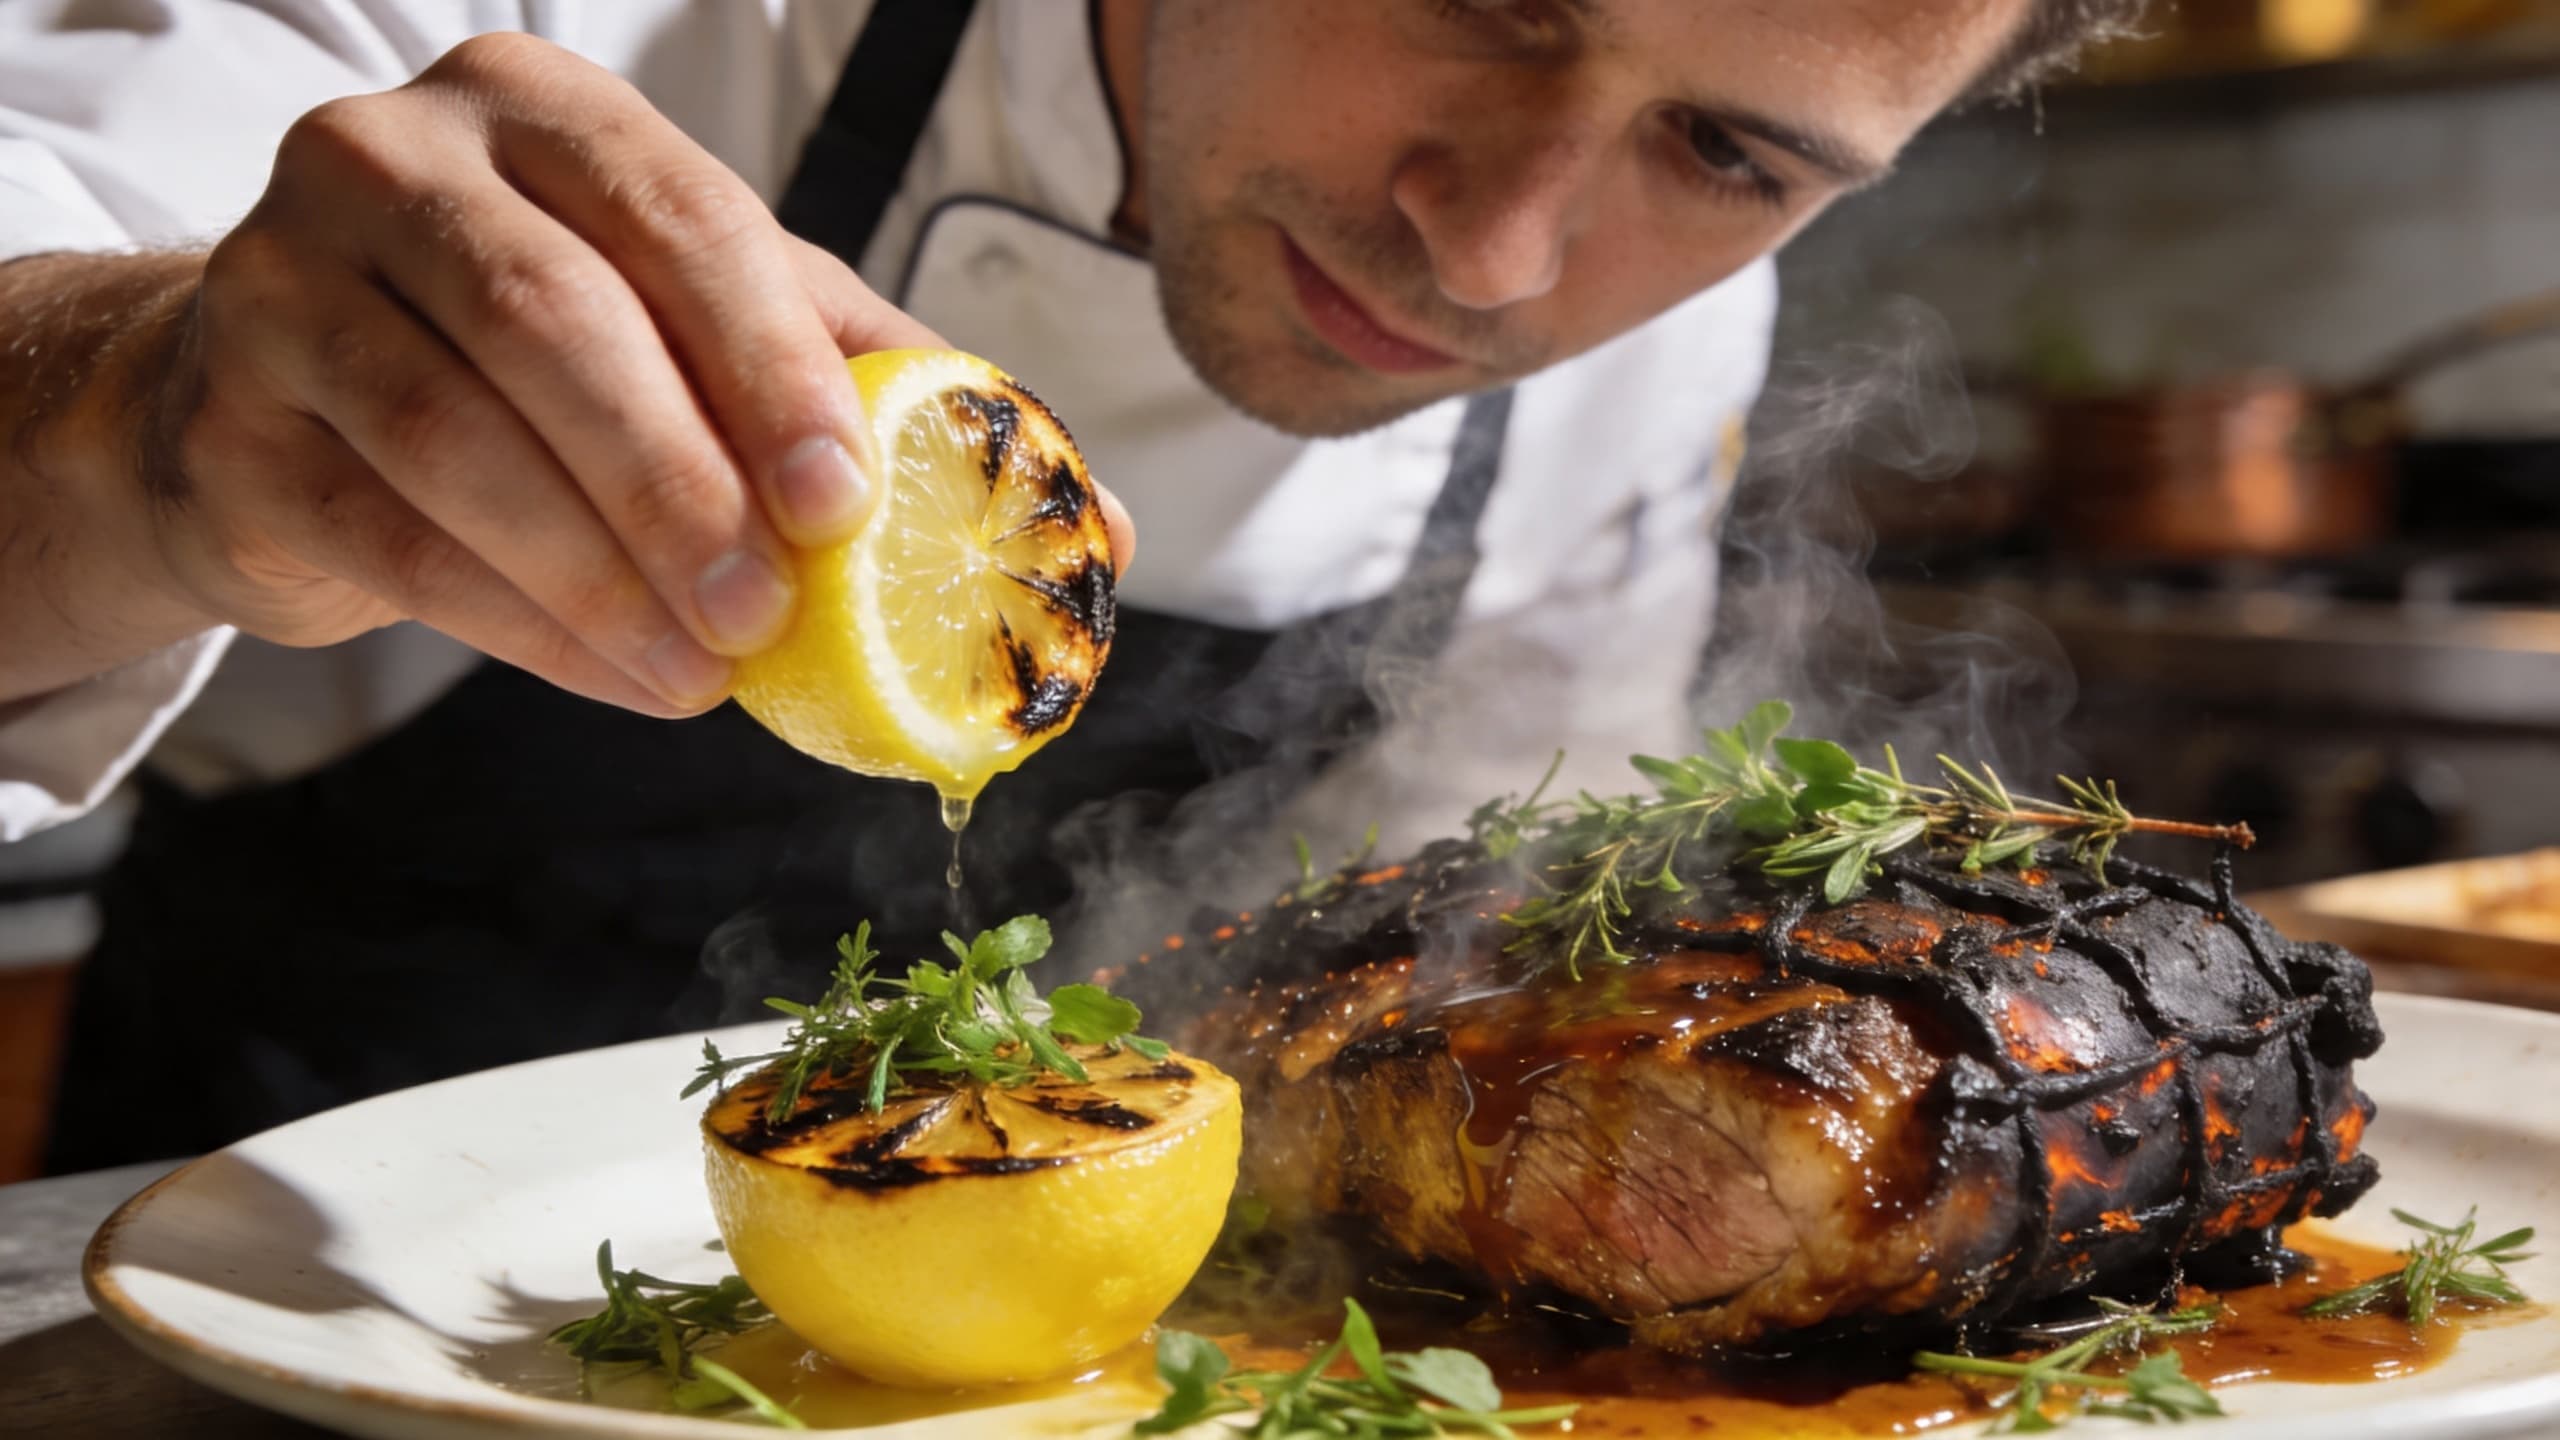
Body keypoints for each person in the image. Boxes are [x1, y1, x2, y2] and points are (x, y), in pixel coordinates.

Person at [0, 0, 2137, 1168]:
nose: (1494, 252)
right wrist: (122, 418)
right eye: (1484, 2)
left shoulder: (1659, 346)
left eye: (1727, 156)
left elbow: (1446, 971)